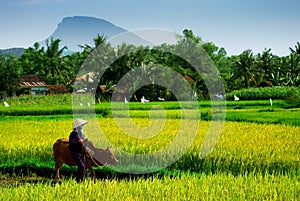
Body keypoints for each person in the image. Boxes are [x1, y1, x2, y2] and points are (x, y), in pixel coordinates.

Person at [69, 118, 88, 182]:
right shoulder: (73, 134)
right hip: (75, 152)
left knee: (83, 166)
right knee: (81, 166)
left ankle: (81, 179)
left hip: (81, 152)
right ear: (78, 126)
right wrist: (78, 142)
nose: (82, 126)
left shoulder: (81, 133)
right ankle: (79, 180)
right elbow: (71, 142)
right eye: (81, 125)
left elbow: (83, 141)